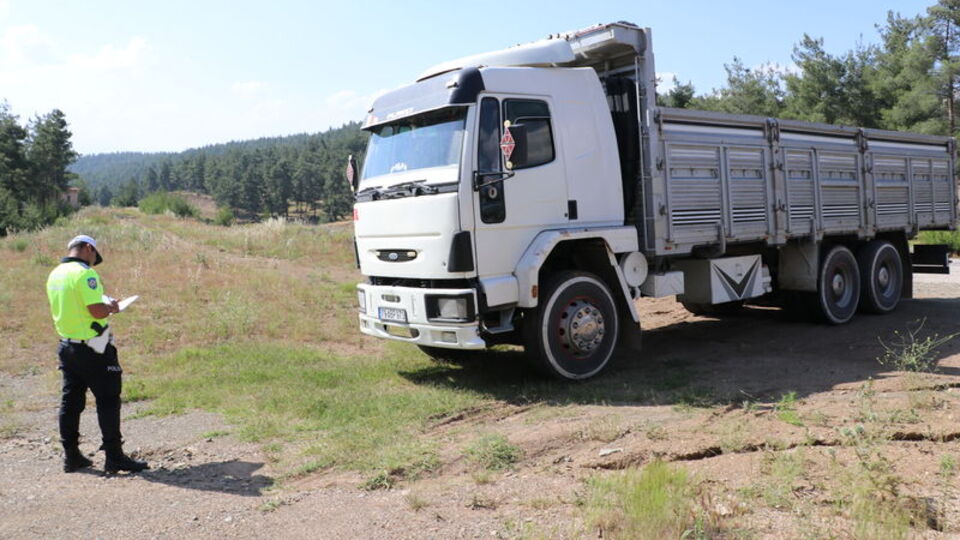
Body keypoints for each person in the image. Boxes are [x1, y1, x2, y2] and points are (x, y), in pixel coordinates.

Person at [45, 234, 148, 473]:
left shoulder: (55, 274)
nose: (93, 262)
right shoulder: (85, 274)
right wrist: (111, 308)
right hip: (94, 345)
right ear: (88, 248)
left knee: (71, 401)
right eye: (94, 256)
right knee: (108, 398)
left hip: (67, 344)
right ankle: (114, 456)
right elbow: (96, 311)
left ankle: (72, 456)